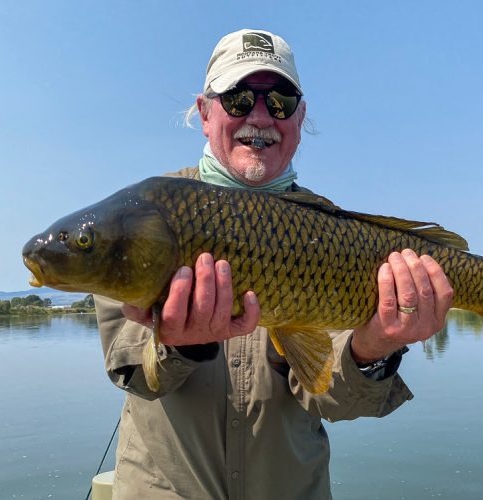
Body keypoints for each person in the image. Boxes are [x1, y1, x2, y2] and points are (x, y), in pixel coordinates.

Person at [94, 28, 453, 500]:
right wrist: (180, 345)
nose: (260, 116)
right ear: (205, 112)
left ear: (299, 118)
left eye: (280, 100)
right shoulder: (143, 217)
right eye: (239, 98)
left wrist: (373, 349)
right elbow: (135, 375)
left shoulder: (331, 232)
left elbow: (331, 398)